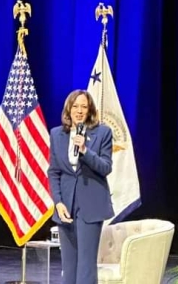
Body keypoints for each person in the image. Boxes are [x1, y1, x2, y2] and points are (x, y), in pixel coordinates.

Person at [48, 89, 114, 284]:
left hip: (91, 206)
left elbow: (105, 167)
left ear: (90, 110)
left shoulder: (103, 133)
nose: (79, 111)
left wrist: (85, 150)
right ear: (68, 109)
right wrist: (58, 202)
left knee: (86, 266)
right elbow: (54, 172)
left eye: (83, 107)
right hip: (66, 207)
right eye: (75, 106)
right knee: (69, 266)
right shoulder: (56, 134)